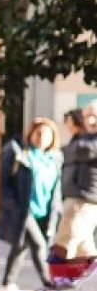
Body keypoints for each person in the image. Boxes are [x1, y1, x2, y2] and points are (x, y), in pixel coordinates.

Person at [1, 118, 62, 287]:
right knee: (39, 245)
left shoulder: (55, 159)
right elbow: (3, 182)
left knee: (21, 246)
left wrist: (56, 213)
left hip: (43, 212)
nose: (42, 138)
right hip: (23, 211)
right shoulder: (19, 153)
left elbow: (56, 190)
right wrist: (13, 206)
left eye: (46, 134)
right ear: (31, 134)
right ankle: (50, 284)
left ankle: (7, 284)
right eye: (39, 133)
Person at [53, 105, 97, 260]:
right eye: (87, 116)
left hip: (83, 197)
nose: (91, 120)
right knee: (84, 246)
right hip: (79, 196)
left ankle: (59, 279)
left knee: (64, 242)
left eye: (94, 116)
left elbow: (80, 151)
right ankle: (76, 279)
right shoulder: (83, 138)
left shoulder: (84, 142)